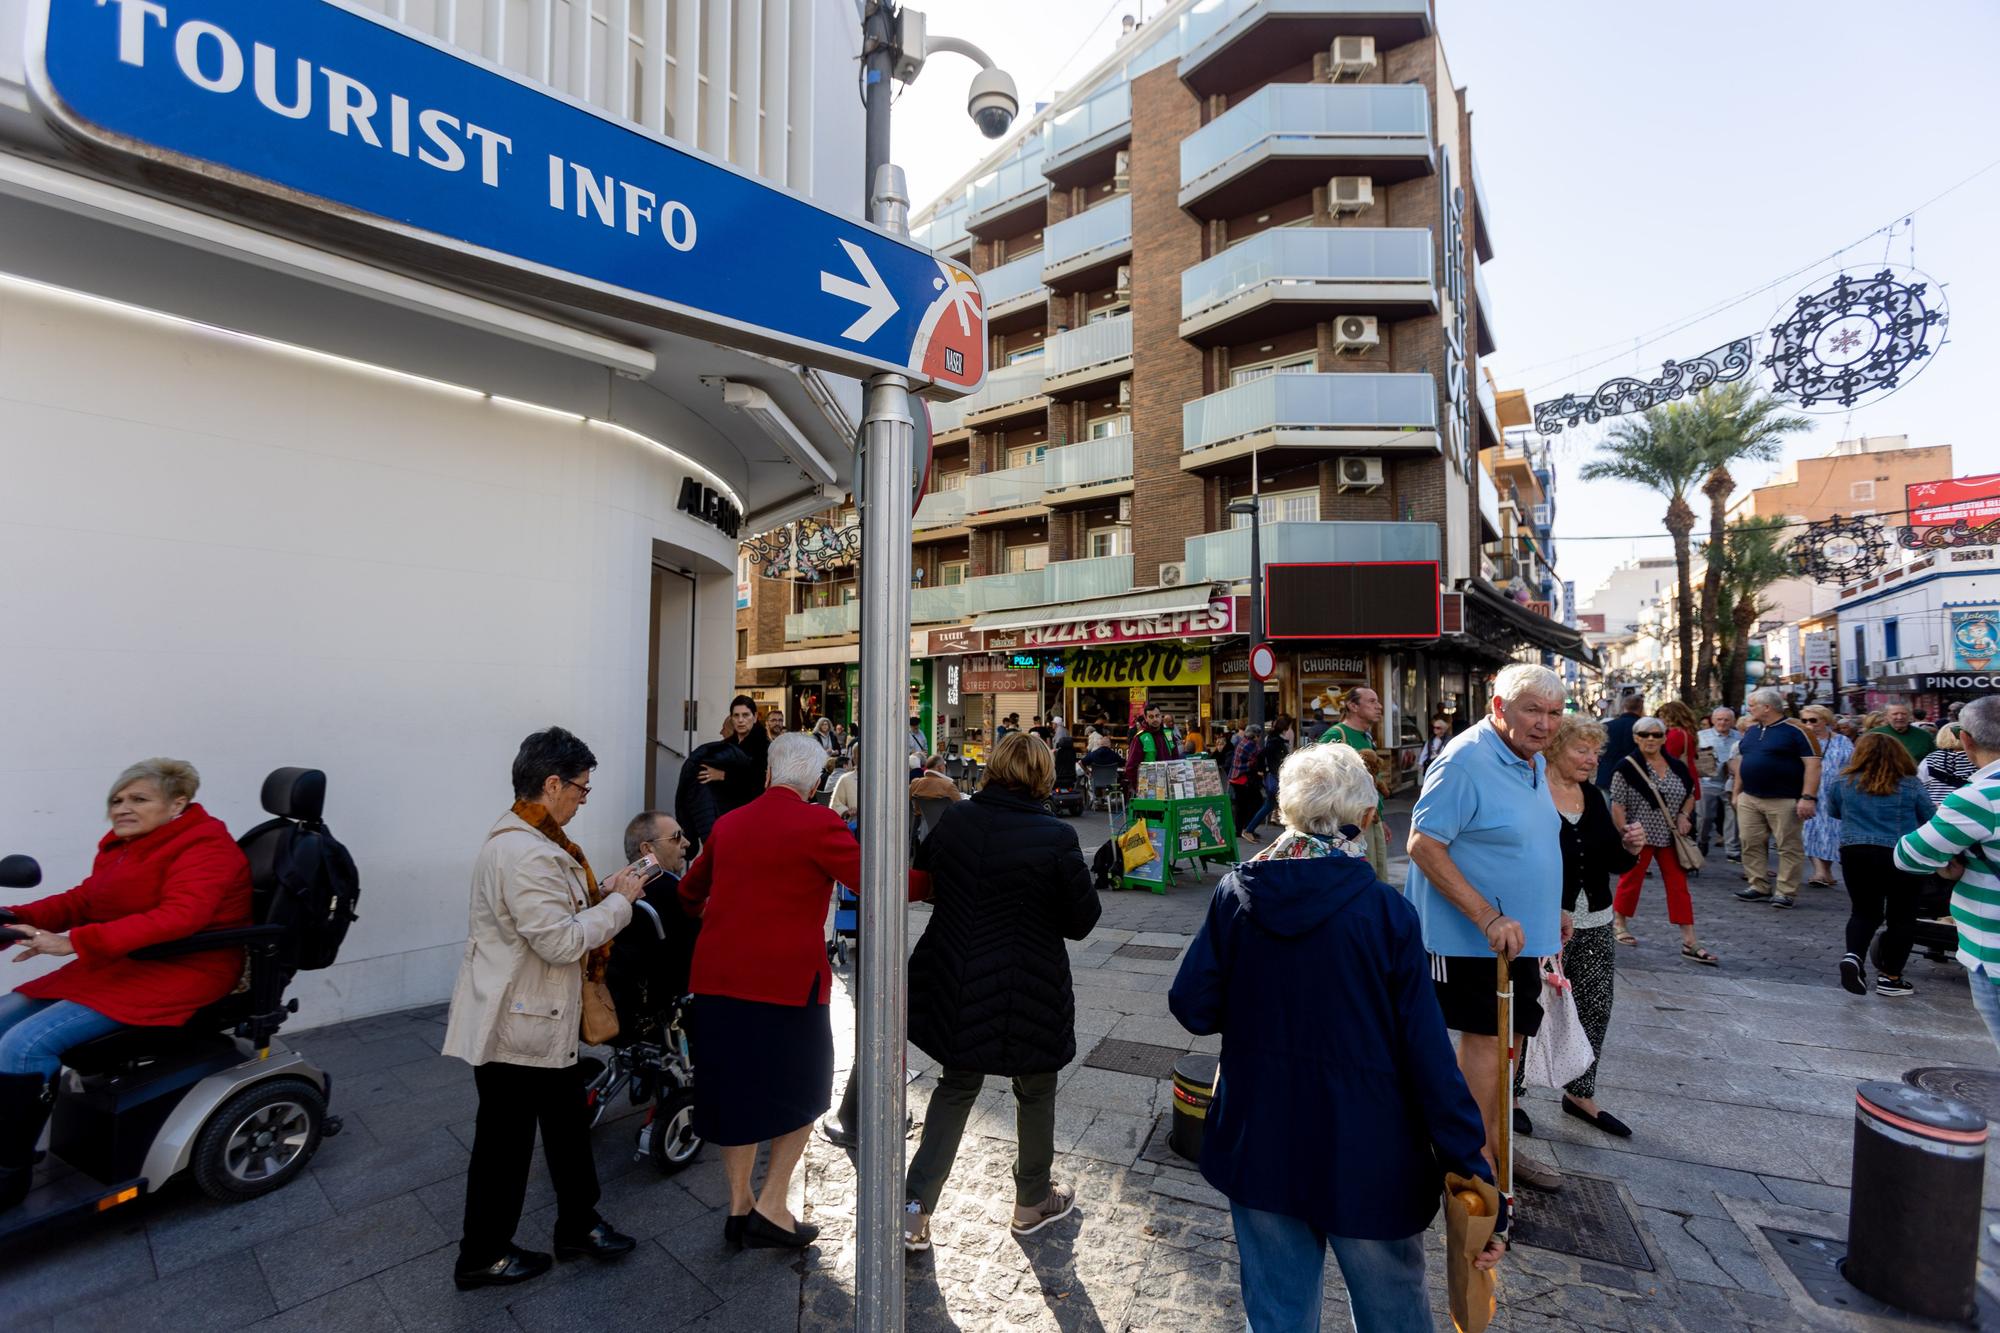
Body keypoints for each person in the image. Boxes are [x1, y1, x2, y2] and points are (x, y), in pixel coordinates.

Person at [1171, 743, 1504, 1330]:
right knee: (1393, 1313)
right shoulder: (1386, 914)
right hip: (1367, 1151)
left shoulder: (1237, 894)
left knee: (1278, 1314)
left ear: (1287, 814)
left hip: (1261, 1137)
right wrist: (1471, 1163)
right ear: (1368, 819)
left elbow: (1193, 1006)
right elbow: (1429, 1057)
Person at [676, 733, 925, 1250]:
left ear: (768, 774)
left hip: (719, 978)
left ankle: (739, 1204)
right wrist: (936, 880)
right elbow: (878, 881)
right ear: (816, 782)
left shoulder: (729, 823)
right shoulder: (817, 822)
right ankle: (771, 1204)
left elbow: (688, 893)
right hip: (788, 983)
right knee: (806, 1090)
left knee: (733, 1092)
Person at [0, 759, 252, 1211]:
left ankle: (8, 1170)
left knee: (23, 1045)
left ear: (178, 804)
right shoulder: (126, 847)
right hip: (123, 964)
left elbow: (182, 916)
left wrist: (74, 942)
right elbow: (86, 899)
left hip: (182, 971)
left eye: (139, 799)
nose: (122, 808)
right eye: (117, 800)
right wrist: (19, 918)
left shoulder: (205, 847)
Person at [443, 727, 644, 1289]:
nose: (583, 798)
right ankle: (483, 1253)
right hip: (518, 1025)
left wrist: (602, 894)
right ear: (552, 784)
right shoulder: (524, 850)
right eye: (581, 788)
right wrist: (621, 905)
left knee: (565, 1127)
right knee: (504, 1147)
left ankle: (578, 1224)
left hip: (536, 1019)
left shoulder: (535, 841)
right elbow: (557, 941)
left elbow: (557, 918)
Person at [901, 734, 1101, 1251]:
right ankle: (1032, 1200)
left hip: (957, 975)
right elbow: (1082, 921)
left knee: (956, 1084)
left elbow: (926, 885)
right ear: (1042, 777)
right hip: (1028, 982)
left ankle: (914, 1209)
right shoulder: (1056, 837)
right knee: (1035, 1088)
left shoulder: (957, 822)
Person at [1405, 662, 1568, 1193]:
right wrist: (1487, 915)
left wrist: (1553, 910)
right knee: (1487, 1045)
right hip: (1474, 940)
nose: (1545, 723)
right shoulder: (1465, 760)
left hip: (1519, 937)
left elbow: (1526, 839)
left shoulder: (1530, 757)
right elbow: (1424, 845)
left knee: (1508, 1045)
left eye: (1554, 712)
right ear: (1498, 709)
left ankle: (1498, 1148)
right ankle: (1475, 1165)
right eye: (1532, 711)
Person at [1538, 718, 1645, 1137]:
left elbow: (1611, 863)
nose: (1591, 759)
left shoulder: (1593, 797)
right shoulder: (1532, 795)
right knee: (1532, 1009)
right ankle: (1511, 1095)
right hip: (1543, 921)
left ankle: (1580, 1094)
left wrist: (1630, 849)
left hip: (1596, 919)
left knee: (1595, 1008)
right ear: (1556, 749)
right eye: (1581, 750)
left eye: (1595, 752)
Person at [1896, 696, 2000, 1051]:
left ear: (1966, 740)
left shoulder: (1979, 797)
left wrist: (1950, 863)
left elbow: (1910, 856)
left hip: (1993, 947)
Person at [1828, 734, 1936, 998]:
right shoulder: (1910, 784)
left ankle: (1853, 956)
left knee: (1864, 912)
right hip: (1902, 853)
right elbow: (1930, 816)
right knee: (1902, 916)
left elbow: (1834, 811)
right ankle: (1891, 977)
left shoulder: (1843, 781)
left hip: (1856, 852)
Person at [1609, 718, 1716, 964]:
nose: (1650, 739)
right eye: (1645, 734)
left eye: (1656, 735)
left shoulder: (1676, 766)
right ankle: (1619, 923)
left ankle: (1689, 939)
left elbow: (1689, 793)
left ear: (1664, 738)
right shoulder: (1626, 767)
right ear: (1636, 737)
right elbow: (1617, 803)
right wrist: (1625, 831)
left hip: (1669, 835)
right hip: (1639, 833)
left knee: (1679, 885)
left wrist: (1684, 815)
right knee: (1631, 880)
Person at [1731, 687, 1821, 908]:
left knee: (1788, 846)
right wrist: (1736, 792)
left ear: (1767, 707)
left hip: (1784, 798)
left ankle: (1785, 891)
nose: (1749, 709)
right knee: (1750, 842)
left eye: (1752, 705)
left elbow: (1813, 764)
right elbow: (1743, 762)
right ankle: (1758, 885)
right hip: (1750, 797)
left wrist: (1808, 797)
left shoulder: (1797, 730)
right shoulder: (1752, 731)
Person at [678, 696, 772, 851]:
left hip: (752, 817)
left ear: (755, 717)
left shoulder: (764, 747)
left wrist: (723, 776)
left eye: (745, 715)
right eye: (736, 716)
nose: (741, 720)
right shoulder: (727, 746)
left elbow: (759, 782)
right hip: (723, 814)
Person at [1800, 705, 1852, 888]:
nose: (1808, 724)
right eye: (1804, 720)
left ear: (1825, 721)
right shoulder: (1800, 741)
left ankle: (1827, 871)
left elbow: (1852, 764)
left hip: (1837, 792)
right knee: (1810, 830)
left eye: (1813, 720)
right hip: (1809, 791)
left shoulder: (1843, 741)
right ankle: (1819, 871)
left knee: (1832, 832)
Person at [1696, 707, 1743, 862]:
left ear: (1733, 721)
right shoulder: (1701, 736)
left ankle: (1732, 849)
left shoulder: (1739, 737)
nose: (1722, 722)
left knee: (1732, 816)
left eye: (1726, 719)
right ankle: (1702, 841)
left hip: (1731, 782)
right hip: (1707, 782)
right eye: (1719, 719)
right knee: (1705, 816)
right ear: (1713, 720)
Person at [1241, 716, 1294, 841]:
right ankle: (1249, 830)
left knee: (1270, 806)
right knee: (1278, 805)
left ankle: (1249, 829)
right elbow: (1262, 755)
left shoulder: (1272, 738)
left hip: (1274, 776)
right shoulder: (1276, 741)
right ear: (1285, 728)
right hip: (1276, 776)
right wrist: (1263, 770)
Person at [1122, 699, 1178, 794]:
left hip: (1169, 785)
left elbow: (1176, 758)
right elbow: (1131, 767)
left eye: (1157, 716)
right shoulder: (1140, 738)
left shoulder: (1169, 734)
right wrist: (1139, 788)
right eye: (1151, 717)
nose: (1155, 719)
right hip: (1149, 789)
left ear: (1161, 716)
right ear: (1146, 718)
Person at [1595, 692, 1645, 790]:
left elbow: (1599, 751)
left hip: (1607, 776)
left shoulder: (1608, 726)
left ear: (1624, 707)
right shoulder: (1644, 729)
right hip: (1635, 778)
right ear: (1641, 708)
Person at [1921, 723, 1978, 805]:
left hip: (1937, 808)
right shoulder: (1978, 758)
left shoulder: (1932, 759)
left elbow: (1921, 784)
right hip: (1970, 806)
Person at [1227, 722, 1267, 837]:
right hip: (1242, 778)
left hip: (1235, 777)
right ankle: (1248, 828)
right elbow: (1256, 759)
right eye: (1258, 736)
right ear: (1254, 736)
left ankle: (1240, 830)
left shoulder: (1243, 741)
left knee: (1242, 805)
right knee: (1256, 802)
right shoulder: (1251, 745)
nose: (1259, 738)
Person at [1872, 700, 1937, 765]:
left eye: (1904, 714)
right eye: (1895, 714)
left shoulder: (1924, 736)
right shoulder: (1874, 735)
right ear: (1886, 716)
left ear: (1910, 715)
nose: (1900, 717)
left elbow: (1933, 761)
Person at [1416, 716, 1452, 786]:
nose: (1435, 729)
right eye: (1434, 727)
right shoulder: (1431, 740)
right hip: (1431, 765)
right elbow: (1425, 753)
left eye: (1438, 728)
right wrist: (1420, 763)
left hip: (1443, 766)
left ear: (1443, 729)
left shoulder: (1448, 740)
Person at [907, 716, 929, 781]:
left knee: (921, 778)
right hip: (911, 762)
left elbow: (925, 745)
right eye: (914, 728)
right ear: (910, 726)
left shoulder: (921, 733)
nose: (916, 729)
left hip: (921, 761)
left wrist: (925, 752)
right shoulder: (907, 734)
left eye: (917, 726)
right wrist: (912, 752)